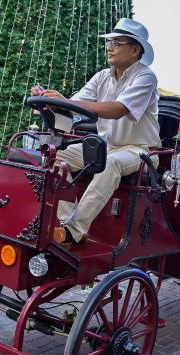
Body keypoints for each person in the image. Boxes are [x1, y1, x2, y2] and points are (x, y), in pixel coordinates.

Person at [30, 18, 161, 246]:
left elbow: (119, 109)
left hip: (140, 151)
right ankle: (63, 222)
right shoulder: (102, 76)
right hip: (104, 146)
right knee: (55, 157)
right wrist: (50, 102)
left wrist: (66, 101)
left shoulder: (145, 76)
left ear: (135, 49)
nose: (110, 47)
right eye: (109, 42)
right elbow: (76, 105)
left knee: (109, 163)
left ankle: (73, 231)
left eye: (117, 43)